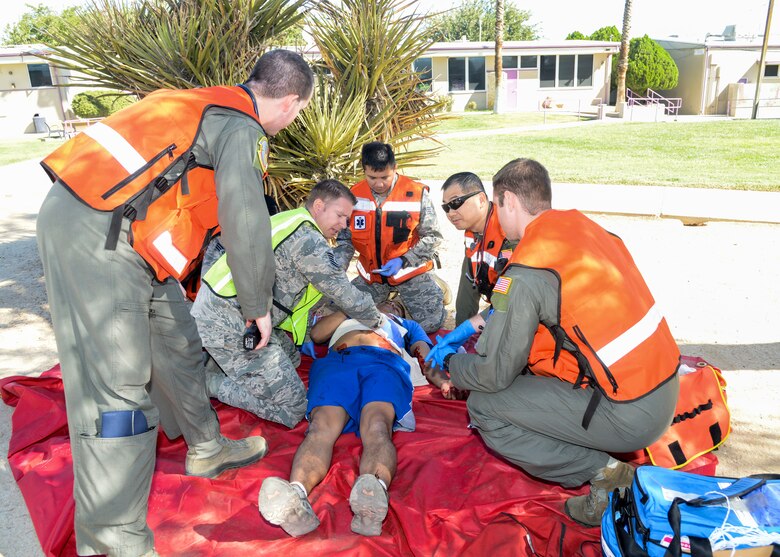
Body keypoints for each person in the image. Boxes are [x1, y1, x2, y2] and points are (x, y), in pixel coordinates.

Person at [35, 50, 313, 557]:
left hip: (125, 233)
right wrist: (257, 304)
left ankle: (205, 447)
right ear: (291, 102)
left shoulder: (207, 106)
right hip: (99, 235)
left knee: (178, 341)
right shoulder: (241, 127)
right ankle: (113, 540)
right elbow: (245, 217)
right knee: (117, 392)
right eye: (297, 113)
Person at [425, 158, 680, 527]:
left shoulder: (527, 267)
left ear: (509, 201)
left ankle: (608, 475)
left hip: (631, 412)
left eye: (498, 204)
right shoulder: (584, 228)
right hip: (663, 384)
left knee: (484, 406)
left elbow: (494, 373)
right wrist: (474, 327)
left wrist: (453, 363)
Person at [191, 179, 386, 428]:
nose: (343, 225)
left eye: (347, 219)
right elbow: (343, 291)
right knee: (294, 408)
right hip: (231, 322)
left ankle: (223, 362)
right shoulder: (307, 239)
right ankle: (208, 383)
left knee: (292, 359)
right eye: (340, 215)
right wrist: (378, 320)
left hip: (234, 312)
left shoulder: (291, 220)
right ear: (319, 206)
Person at [257, 301, 433, 538]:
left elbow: (425, 354)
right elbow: (317, 334)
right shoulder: (347, 314)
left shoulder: (405, 325)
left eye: (398, 305)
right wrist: (354, 306)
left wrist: (440, 377)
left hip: (383, 362)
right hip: (339, 361)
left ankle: (372, 495)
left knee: (378, 425)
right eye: (388, 300)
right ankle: (296, 500)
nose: (391, 303)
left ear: (400, 314)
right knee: (320, 427)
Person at [333, 142, 446, 333]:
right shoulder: (353, 196)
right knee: (341, 315)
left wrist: (404, 260)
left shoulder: (416, 194)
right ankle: (393, 304)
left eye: (385, 177)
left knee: (431, 324)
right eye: (372, 177)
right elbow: (345, 240)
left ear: (395, 168)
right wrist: (338, 268)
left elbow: (433, 237)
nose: (379, 184)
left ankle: (430, 290)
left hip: (409, 272)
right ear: (364, 170)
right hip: (372, 277)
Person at [441, 171, 514, 325]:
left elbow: (510, 300)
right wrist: (461, 330)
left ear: (481, 199)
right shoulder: (472, 232)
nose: (451, 213)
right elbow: (468, 284)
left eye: (456, 202)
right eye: (446, 207)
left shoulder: (509, 233)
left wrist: (472, 327)